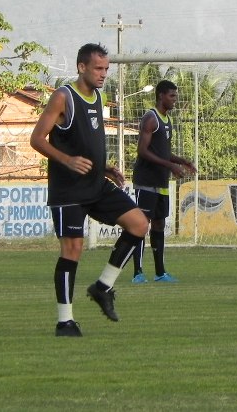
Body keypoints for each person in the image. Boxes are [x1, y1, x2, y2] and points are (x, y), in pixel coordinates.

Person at [30, 43, 149, 337]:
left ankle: (103, 286)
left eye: (106, 69)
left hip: (96, 183)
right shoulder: (63, 97)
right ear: (81, 67)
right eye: (98, 68)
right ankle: (65, 321)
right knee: (73, 249)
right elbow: (37, 139)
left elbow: (88, 140)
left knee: (139, 224)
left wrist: (104, 167)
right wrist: (66, 160)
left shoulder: (99, 97)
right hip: (67, 191)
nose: (103, 74)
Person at [131, 80, 196, 283]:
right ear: (161, 96)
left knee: (158, 224)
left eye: (175, 96)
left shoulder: (167, 120)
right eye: (172, 96)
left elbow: (163, 152)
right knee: (142, 225)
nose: (175, 100)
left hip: (161, 182)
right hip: (146, 181)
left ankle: (160, 273)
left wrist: (181, 161)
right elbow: (142, 151)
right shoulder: (151, 118)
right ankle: (138, 273)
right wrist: (170, 166)